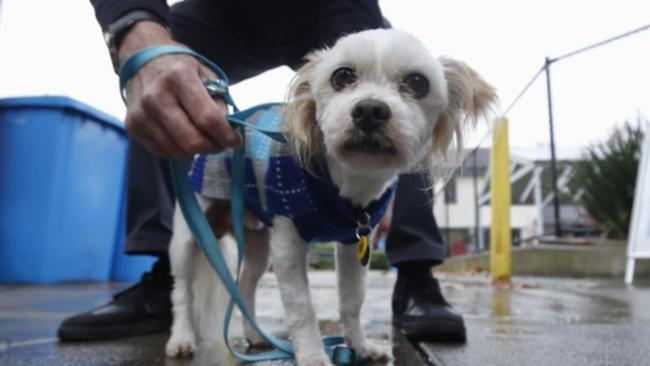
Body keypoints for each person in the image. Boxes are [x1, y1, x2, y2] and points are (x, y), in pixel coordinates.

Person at [58, 0, 466, 343]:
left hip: (327, 4)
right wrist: (136, 29)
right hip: (228, 9)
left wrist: (371, 182)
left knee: (391, 83)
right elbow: (145, 42)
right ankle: (167, 280)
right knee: (155, 85)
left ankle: (416, 273)